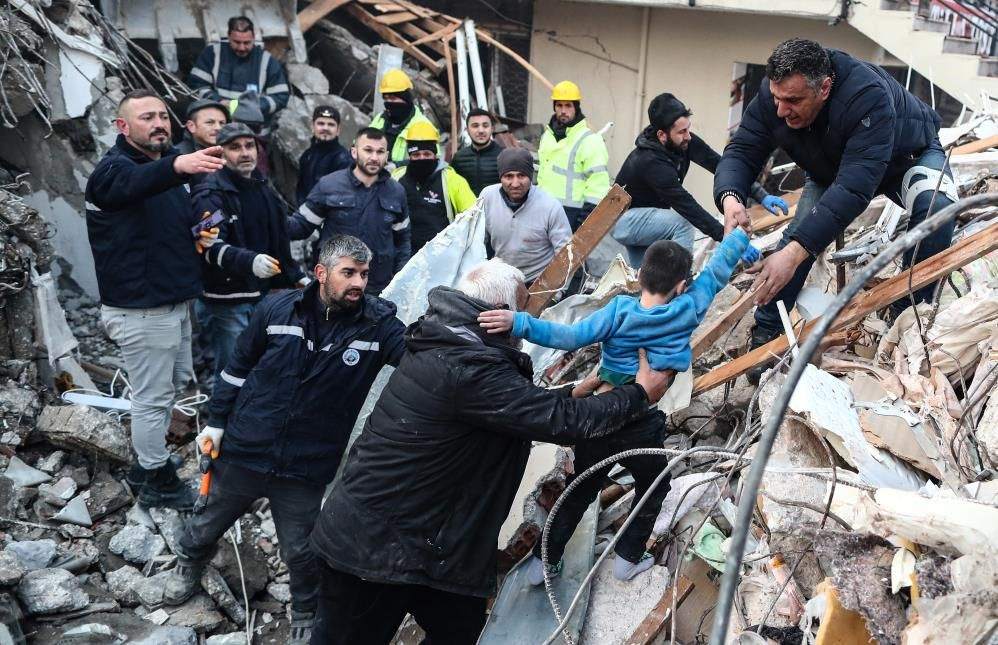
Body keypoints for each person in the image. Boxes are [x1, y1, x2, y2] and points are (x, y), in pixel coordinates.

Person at [308, 258, 674, 645]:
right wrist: (638, 394)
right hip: (372, 553)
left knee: (460, 632)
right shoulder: (468, 364)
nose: (524, 319)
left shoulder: (454, 343)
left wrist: (570, 392)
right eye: (522, 308)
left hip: (429, 547)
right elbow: (561, 423)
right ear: (498, 313)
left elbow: (513, 408)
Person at [162, 235, 405, 645]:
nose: (359, 283)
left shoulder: (377, 326)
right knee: (207, 521)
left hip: (305, 466)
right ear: (322, 273)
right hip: (246, 448)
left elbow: (417, 355)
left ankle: (306, 611)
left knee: (302, 549)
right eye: (349, 273)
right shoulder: (275, 310)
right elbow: (236, 369)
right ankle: (188, 563)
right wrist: (217, 422)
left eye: (364, 274)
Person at [479, 228, 750, 582]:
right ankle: (627, 558)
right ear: (682, 285)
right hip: (643, 419)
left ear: (639, 276)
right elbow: (715, 272)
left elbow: (570, 336)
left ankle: (543, 562)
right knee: (654, 487)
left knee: (579, 490)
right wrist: (738, 237)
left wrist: (519, 322)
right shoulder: (688, 308)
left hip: (602, 415)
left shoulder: (618, 311)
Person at [712, 38, 957, 383]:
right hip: (834, 165)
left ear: (825, 88)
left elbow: (855, 188)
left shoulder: (866, 96)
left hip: (906, 157)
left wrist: (798, 249)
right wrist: (731, 197)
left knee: (939, 209)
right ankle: (766, 338)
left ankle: (905, 327)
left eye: (793, 100)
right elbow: (741, 151)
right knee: (796, 242)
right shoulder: (776, 97)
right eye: (777, 98)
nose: (781, 110)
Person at [85, 89, 224, 510]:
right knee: (152, 398)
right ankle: (156, 477)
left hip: (172, 304)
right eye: (148, 117)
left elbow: (156, 218)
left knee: (172, 386)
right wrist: (179, 164)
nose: (159, 123)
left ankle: (144, 468)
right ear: (123, 127)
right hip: (141, 311)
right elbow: (131, 185)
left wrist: (195, 231)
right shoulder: (113, 170)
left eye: (163, 116)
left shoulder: (157, 170)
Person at [612, 93, 787, 267]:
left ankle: (653, 291)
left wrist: (761, 195)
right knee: (682, 224)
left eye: (688, 128)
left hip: (647, 217)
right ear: (662, 135)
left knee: (645, 277)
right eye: (681, 131)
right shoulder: (650, 161)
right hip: (624, 220)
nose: (688, 135)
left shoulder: (685, 142)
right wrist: (729, 240)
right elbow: (688, 208)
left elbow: (722, 166)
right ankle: (682, 280)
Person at [190, 122, 307, 378]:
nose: (245, 153)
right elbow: (208, 246)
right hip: (227, 301)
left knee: (261, 368)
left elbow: (278, 238)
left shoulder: (261, 188)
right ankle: (221, 417)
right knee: (232, 371)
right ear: (220, 154)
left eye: (249, 146)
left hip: (261, 296)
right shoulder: (211, 195)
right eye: (235, 147)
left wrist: (295, 275)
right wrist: (249, 261)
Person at [289, 127, 411, 295]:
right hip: (335, 287)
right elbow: (299, 226)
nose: (374, 157)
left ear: (387, 155)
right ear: (354, 152)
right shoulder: (329, 185)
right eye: (368, 150)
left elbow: (403, 240)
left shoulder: (396, 192)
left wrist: (401, 278)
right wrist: (272, 214)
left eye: (380, 151)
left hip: (378, 289)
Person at [481, 147, 572, 284]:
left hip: (539, 281)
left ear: (531, 176)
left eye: (521, 176)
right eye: (509, 176)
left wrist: (555, 294)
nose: (515, 183)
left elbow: (566, 255)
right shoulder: (488, 197)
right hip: (502, 279)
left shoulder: (550, 206)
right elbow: (475, 243)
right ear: (501, 177)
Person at [188, 15, 289, 136]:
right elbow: (196, 87)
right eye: (236, 42)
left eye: (247, 43)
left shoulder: (266, 61)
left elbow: (281, 96)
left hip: (254, 135)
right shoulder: (212, 54)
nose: (242, 47)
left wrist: (253, 107)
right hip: (218, 133)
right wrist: (218, 102)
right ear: (229, 36)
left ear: (254, 38)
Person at [536, 80, 611, 231]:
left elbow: (598, 185)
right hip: (543, 210)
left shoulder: (590, 140)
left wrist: (584, 221)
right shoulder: (548, 136)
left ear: (576, 107)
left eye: (568, 105)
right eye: (559, 105)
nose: (563, 110)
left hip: (572, 214)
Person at [391, 121, 476, 253]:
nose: (421, 159)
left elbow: (473, 216)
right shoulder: (396, 179)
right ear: (409, 155)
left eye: (427, 154)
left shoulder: (452, 180)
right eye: (416, 155)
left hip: (442, 257)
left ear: (435, 154)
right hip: (403, 257)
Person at [368, 68, 438, 165]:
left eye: (393, 98)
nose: (389, 102)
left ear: (406, 99)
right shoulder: (380, 119)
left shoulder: (423, 126)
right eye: (386, 98)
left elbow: (431, 162)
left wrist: (397, 166)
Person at [296, 104, 353, 206]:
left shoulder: (343, 160)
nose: (325, 128)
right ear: (312, 126)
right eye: (321, 123)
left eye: (331, 124)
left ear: (338, 130)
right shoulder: (307, 155)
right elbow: (301, 191)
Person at [450, 108, 504, 196]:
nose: (481, 130)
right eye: (475, 126)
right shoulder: (459, 158)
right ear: (467, 130)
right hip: (468, 208)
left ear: (492, 129)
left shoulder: (504, 156)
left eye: (485, 125)